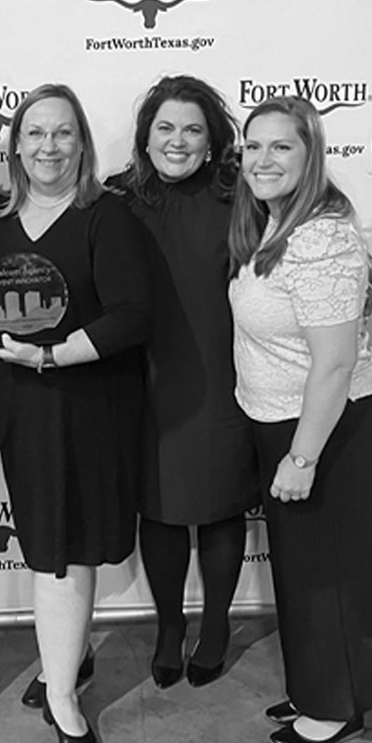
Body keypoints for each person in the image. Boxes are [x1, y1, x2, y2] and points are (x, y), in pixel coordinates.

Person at [0, 84, 151, 743]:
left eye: (63, 133)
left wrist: (50, 355)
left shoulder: (107, 216)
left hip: (89, 408)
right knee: (51, 546)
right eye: (36, 133)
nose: (49, 146)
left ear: (82, 144)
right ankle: (66, 668)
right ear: (16, 145)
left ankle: (62, 693)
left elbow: (134, 315)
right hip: (23, 411)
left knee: (68, 549)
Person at [228, 95, 372, 743]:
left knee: (330, 576)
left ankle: (336, 705)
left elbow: (334, 363)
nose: (263, 159)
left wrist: (302, 457)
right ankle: (320, 687)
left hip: (329, 427)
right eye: (254, 146)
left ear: (311, 155)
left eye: (282, 147)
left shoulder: (320, 237)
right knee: (306, 572)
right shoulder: (274, 223)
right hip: (288, 420)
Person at [108, 76, 259, 690]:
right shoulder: (117, 199)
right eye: (165, 128)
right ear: (145, 138)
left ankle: (216, 626)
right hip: (143, 380)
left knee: (221, 507)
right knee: (161, 509)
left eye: (192, 129)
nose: (177, 140)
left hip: (222, 376)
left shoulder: (241, 197)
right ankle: (169, 627)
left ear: (212, 140)